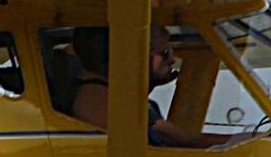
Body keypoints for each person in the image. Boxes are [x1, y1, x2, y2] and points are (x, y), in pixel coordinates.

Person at [66, 25, 225, 148]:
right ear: (136, 55)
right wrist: (240, 139)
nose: (171, 59)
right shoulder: (97, 98)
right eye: (164, 52)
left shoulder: (116, 95)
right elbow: (185, 140)